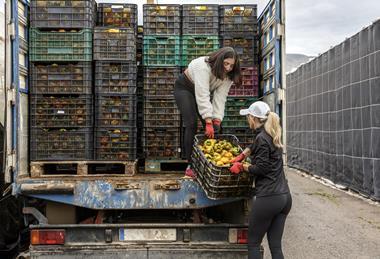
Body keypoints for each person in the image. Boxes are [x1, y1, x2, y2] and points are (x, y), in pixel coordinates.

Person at [229, 101, 292, 259]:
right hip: (284, 197)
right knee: (275, 246)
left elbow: (262, 169)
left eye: (248, 117)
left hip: (269, 197)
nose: (247, 120)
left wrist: (243, 167)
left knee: (254, 243)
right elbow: (255, 145)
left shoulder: (262, 138)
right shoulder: (270, 133)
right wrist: (244, 154)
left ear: (253, 118)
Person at [174, 47, 241, 177]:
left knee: (215, 128)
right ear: (219, 60)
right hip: (185, 88)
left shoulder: (228, 76)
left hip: (201, 93)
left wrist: (216, 120)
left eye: (231, 65)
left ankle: (210, 161)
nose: (228, 68)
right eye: (226, 63)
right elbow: (202, 94)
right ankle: (190, 166)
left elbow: (220, 98)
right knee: (191, 124)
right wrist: (208, 120)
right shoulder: (202, 66)